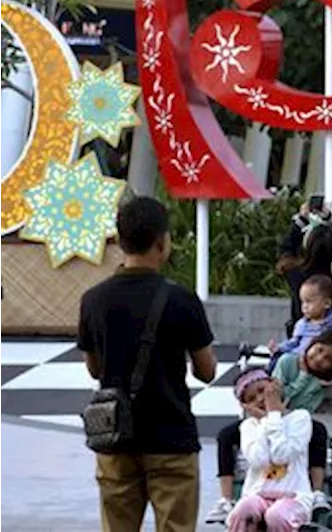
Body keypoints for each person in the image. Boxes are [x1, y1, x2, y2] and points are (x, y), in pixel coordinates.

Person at [78, 196, 216, 532]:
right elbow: (207, 371)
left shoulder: (93, 299)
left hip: (115, 438)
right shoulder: (182, 299)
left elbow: (95, 369)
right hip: (171, 435)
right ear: (162, 242)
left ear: (120, 240)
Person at [206, 329, 332, 524]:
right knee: (225, 435)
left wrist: (283, 416)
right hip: (269, 415)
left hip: (290, 420)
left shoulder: (319, 384)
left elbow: (304, 410)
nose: (318, 358)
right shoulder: (288, 362)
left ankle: (316, 492)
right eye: (318, 350)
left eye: (327, 359)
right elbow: (280, 392)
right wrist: (273, 408)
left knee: (317, 431)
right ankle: (225, 498)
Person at [224, 370, 316, 532]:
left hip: (294, 496)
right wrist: (265, 421)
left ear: (275, 385)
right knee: (243, 509)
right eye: (251, 399)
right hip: (258, 494)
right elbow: (259, 460)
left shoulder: (300, 418)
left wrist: (274, 415)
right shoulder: (249, 426)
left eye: (262, 390)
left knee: (276, 516)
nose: (260, 399)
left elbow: (282, 456)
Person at [278, 209, 332, 329]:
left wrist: (301, 221)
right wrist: (331, 220)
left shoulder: (297, 273)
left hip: (302, 337)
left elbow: (285, 250)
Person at [269, 275, 332, 368]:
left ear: (327, 303)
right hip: (298, 358)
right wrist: (279, 347)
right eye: (302, 302)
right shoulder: (302, 324)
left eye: (309, 301)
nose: (304, 306)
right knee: (280, 360)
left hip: (319, 361)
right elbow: (293, 342)